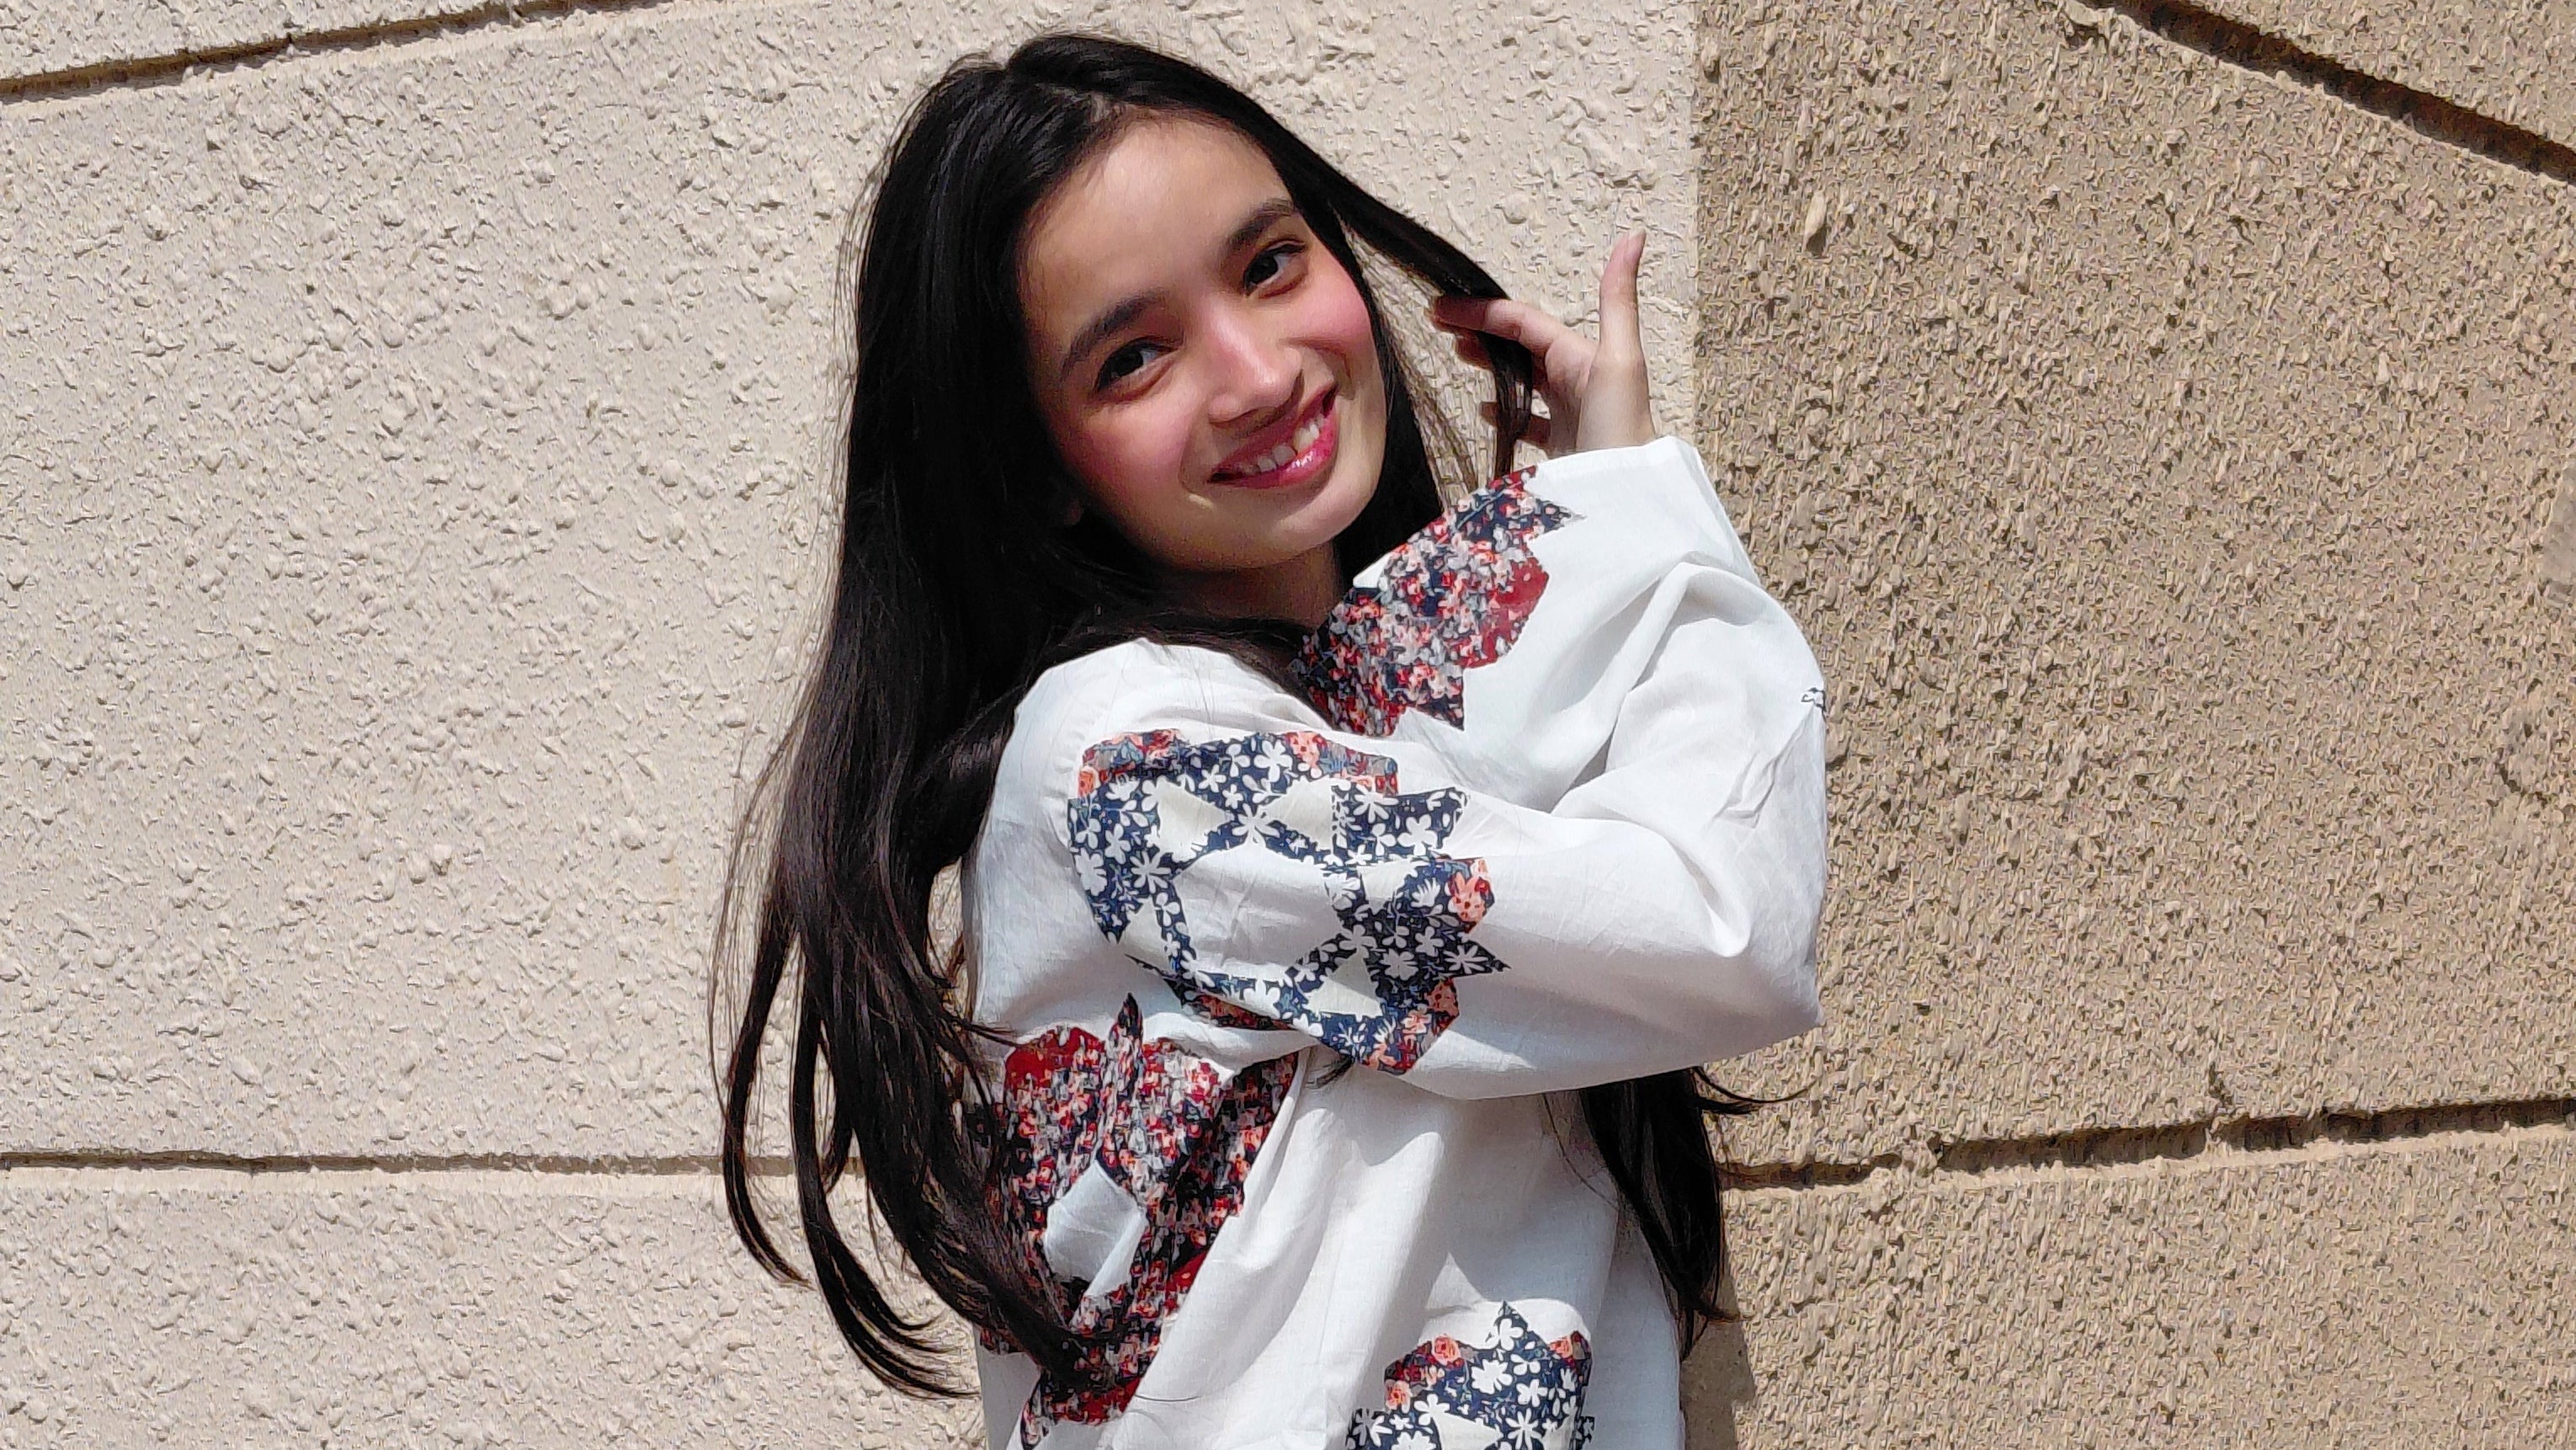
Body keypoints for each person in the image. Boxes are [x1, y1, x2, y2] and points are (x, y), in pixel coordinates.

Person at [715, 31, 1828, 1450]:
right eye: (1133, 358)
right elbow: (1721, 926)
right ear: (1037, 473)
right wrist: (1644, 532)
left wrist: (1592, 544)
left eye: (1269, 265)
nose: (1252, 373)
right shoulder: (1139, 767)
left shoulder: (1329, 707)